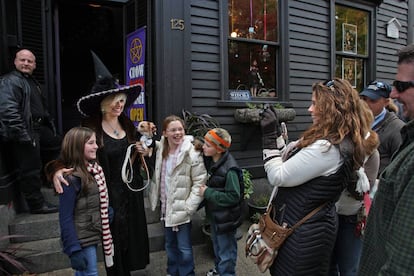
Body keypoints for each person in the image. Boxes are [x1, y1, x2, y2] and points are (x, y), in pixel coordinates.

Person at [49, 52, 151, 275]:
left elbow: (137, 151)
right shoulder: (90, 126)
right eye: (115, 101)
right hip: (105, 194)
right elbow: (67, 154)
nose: (119, 105)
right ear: (105, 102)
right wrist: (57, 170)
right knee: (111, 243)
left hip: (130, 193)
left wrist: (143, 151)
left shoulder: (127, 123)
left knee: (129, 241)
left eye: (122, 101)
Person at [260, 78, 375, 275]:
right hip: (303, 228)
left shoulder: (328, 148)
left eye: (315, 104)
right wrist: (278, 134)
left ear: (331, 108)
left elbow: (278, 175)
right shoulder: (330, 139)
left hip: (305, 236)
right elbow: (290, 162)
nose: (310, 109)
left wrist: (269, 137)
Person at [358, 44, 414, 275]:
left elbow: (401, 263)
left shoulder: (396, 129)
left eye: (401, 86)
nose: (394, 94)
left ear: (382, 102)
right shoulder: (363, 124)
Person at [0, 48, 59, 214]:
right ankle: (36, 205)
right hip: (25, 130)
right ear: (15, 62)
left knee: (59, 144)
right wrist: (22, 134)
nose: (26, 63)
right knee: (30, 168)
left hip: (39, 129)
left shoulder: (31, 81)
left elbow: (39, 106)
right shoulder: (10, 81)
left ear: (34, 65)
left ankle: (49, 181)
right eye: (22, 60)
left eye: (29, 61)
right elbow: (8, 110)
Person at [148, 115, 207, 276]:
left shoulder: (192, 152)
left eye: (180, 129)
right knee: (169, 245)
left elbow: (200, 182)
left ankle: (187, 273)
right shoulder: (162, 149)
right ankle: (172, 272)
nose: (177, 133)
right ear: (165, 133)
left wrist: (189, 207)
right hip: (167, 208)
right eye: (173, 130)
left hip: (182, 209)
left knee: (184, 248)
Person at [329, 101, 380, 276]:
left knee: (349, 268)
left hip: (352, 219)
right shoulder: (337, 145)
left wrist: (351, 168)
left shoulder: (371, 151)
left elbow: (361, 192)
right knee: (328, 265)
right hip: (330, 214)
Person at [57, 127, 113, 276]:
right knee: (91, 273)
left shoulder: (94, 170)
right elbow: (65, 218)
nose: (96, 146)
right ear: (77, 146)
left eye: (95, 142)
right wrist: (73, 249)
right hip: (81, 239)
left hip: (90, 233)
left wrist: (105, 212)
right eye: (91, 143)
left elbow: (92, 201)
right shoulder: (71, 179)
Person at [199, 128, 243, 276]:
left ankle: (227, 273)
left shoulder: (230, 169)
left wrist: (208, 192)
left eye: (207, 145)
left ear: (218, 149)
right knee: (218, 248)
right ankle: (219, 271)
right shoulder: (213, 160)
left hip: (226, 219)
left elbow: (233, 196)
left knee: (226, 252)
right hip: (216, 216)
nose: (204, 147)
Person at [360, 80, 405, 175]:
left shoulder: (397, 129)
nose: (366, 104)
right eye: (364, 99)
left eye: (373, 100)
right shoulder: (356, 122)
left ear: (386, 102)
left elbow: (401, 166)